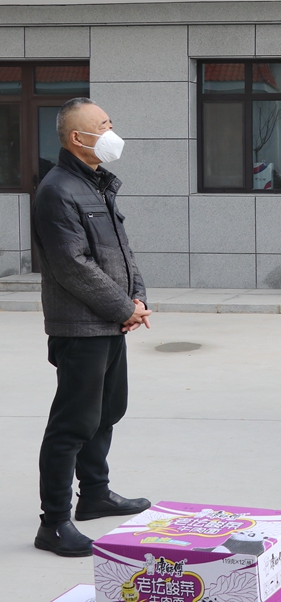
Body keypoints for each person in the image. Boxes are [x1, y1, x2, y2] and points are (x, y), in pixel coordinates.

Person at [32, 98, 153, 557]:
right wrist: (123, 307)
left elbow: (122, 250)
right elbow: (72, 265)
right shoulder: (57, 190)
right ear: (77, 138)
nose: (111, 132)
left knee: (106, 412)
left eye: (110, 122)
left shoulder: (96, 183)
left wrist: (137, 297)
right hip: (81, 327)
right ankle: (54, 523)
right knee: (72, 424)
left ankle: (95, 494)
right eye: (103, 126)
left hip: (110, 322)